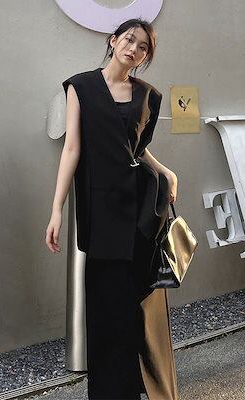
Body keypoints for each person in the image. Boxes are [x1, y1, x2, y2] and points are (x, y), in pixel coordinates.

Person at [45, 18, 179, 400]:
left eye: (143, 47)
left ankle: (140, 388)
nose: (133, 49)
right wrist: (56, 209)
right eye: (129, 40)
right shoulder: (81, 87)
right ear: (113, 40)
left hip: (141, 213)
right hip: (101, 212)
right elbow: (72, 148)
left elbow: (136, 148)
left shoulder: (149, 96)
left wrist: (166, 171)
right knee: (105, 308)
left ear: (145, 56)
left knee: (137, 306)